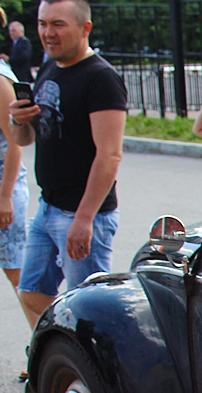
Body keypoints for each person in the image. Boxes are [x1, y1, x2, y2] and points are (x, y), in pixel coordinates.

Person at [8, 0, 127, 331]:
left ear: (85, 28)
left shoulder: (100, 78)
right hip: (48, 207)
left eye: (57, 24)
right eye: (43, 23)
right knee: (31, 292)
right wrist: (18, 121)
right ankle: (61, 350)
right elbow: (27, 138)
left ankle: (86, 356)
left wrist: (84, 218)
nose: (48, 32)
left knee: (88, 309)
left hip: (84, 214)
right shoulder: (51, 67)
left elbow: (110, 155)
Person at [0, 54, 28, 307]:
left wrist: (5, 196)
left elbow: (15, 142)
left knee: (18, 275)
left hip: (4, 186)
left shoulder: (0, 80)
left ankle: (45, 329)